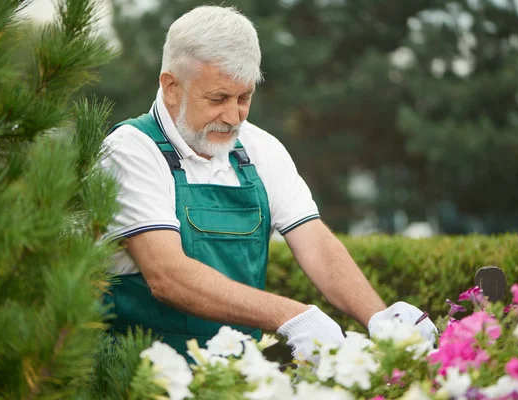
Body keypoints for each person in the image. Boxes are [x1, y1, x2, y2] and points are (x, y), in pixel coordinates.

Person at [100, 5, 436, 361]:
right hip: (142, 378)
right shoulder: (130, 151)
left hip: (239, 379)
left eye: (244, 98)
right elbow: (168, 276)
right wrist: (290, 315)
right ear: (171, 87)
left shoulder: (260, 148)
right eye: (218, 99)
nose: (233, 117)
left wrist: (380, 318)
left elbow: (316, 244)